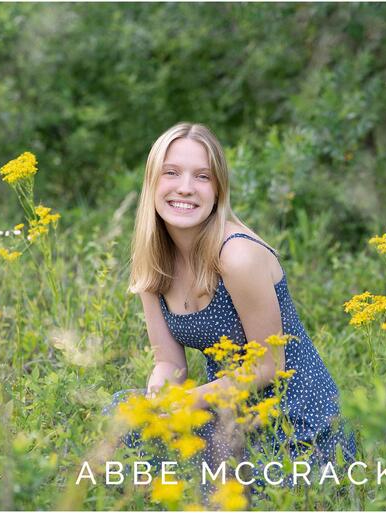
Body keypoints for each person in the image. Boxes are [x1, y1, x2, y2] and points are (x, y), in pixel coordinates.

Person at [109, 122, 355, 477]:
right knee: (125, 414)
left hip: (294, 425)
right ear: (152, 183)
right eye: (172, 173)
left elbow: (268, 367)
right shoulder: (153, 262)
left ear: (218, 190)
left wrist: (188, 402)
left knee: (202, 475)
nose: (185, 188)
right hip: (229, 413)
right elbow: (168, 361)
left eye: (202, 177)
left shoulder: (236, 256)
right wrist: (160, 400)